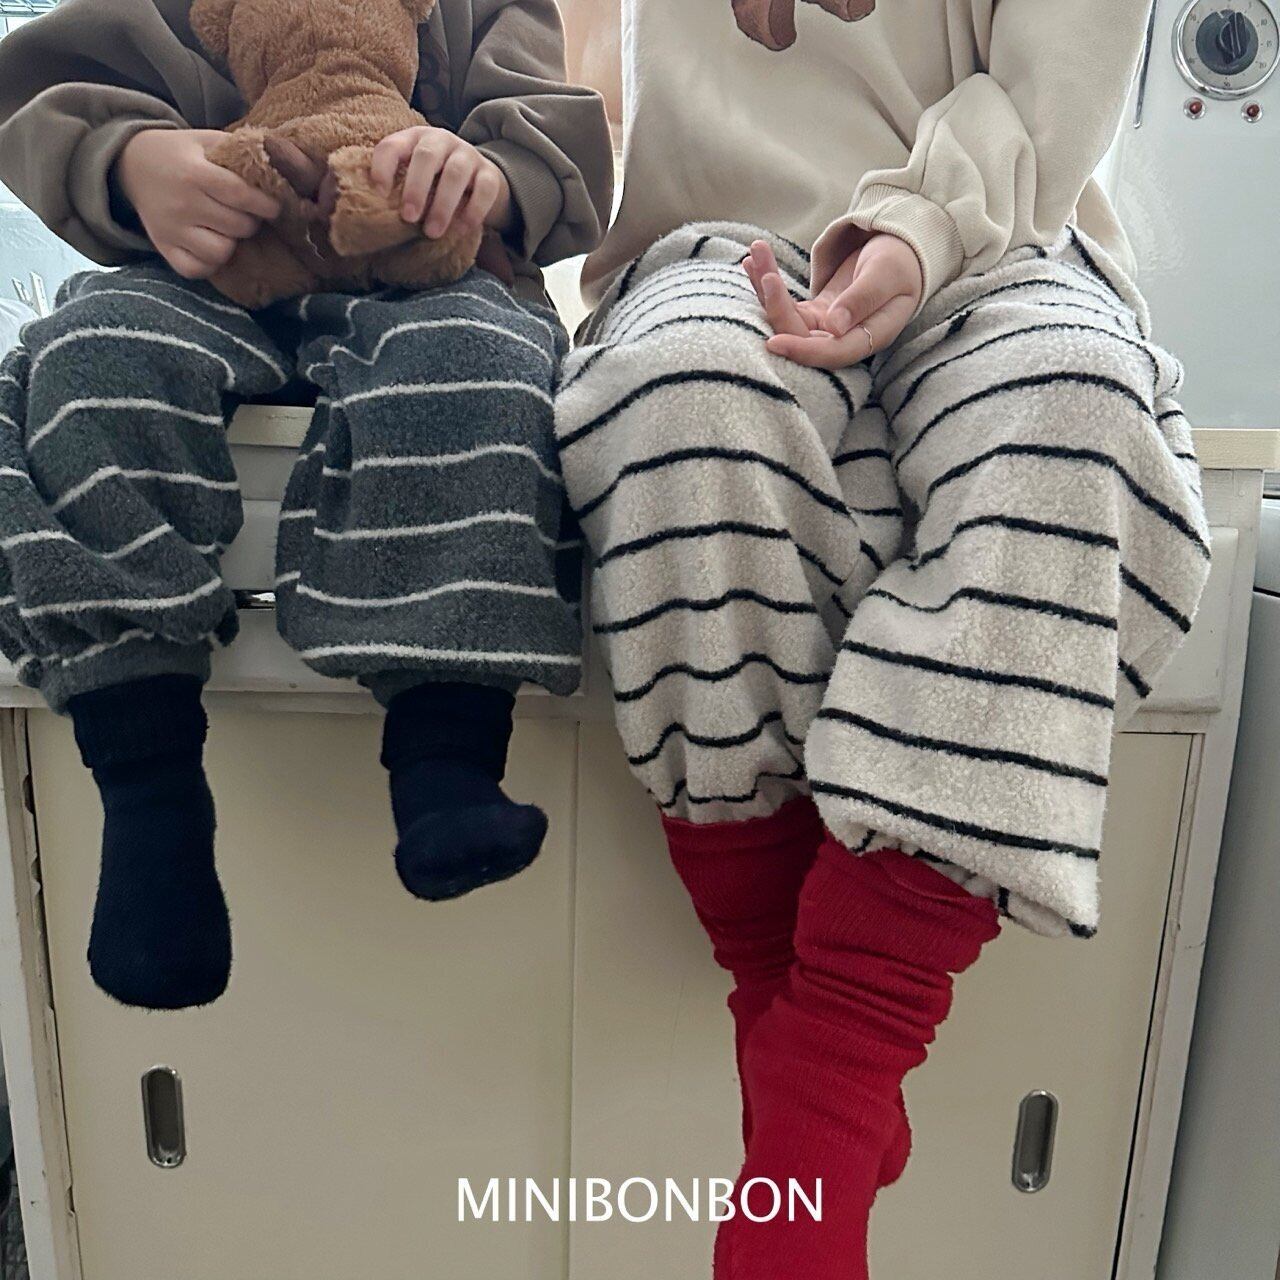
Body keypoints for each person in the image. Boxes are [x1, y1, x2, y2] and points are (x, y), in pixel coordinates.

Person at [553, 1, 1210, 1275]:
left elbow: (1060, 73)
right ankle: (790, 1030)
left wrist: (922, 226)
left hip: (1005, 231)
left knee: (1075, 415)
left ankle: (823, 1081)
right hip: (703, 235)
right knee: (678, 403)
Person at [0, 0, 612, 1011]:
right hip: (196, 273)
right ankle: (147, 792)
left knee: (481, 364)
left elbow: (556, 128)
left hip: (428, 270)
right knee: (88, 360)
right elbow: (41, 92)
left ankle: (447, 759)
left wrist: (488, 176)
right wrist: (128, 162)